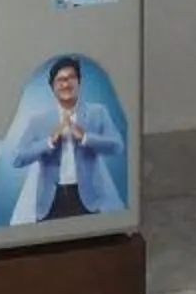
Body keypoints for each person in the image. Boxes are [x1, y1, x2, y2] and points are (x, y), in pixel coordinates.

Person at [10, 55, 125, 220]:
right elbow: (17, 158)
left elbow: (117, 146)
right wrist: (49, 142)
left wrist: (86, 137)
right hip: (51, 200)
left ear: (79, 82)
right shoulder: (39, 120)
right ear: (52, 86)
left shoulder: (97, 112)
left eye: (71, 78)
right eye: (60, 80)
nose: (66, 84)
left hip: (88, 199)